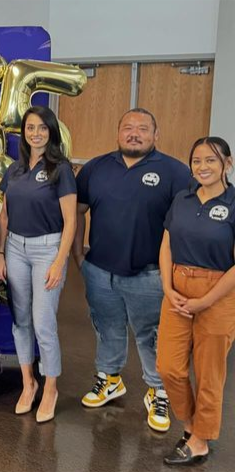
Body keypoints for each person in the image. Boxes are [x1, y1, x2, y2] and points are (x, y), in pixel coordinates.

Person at [72, 108, 191, 432]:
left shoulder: (175, 172)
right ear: (118, 133)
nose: (134, 133)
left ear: (156, 135)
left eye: (142, 128)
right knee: (107, 328)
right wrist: (78, 256)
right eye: (128, 127)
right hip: (100, 271)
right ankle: (110, 379)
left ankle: (158, 390)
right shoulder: (96, 168)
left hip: (149, 275)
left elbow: (187, 224)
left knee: (150, 336)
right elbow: (78, 212)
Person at [0, 106, 76, 423]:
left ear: (51, 131)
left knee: (43, 323)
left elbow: (70, 222)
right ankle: (28, 384)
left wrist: (59, 261)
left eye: (42, 127)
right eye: (30, 127)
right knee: (21, 320)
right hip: (14, 247)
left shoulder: (61, 169)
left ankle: (51, 387)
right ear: (23, 131)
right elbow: (5, 215)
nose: (36, 133)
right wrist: (0, 253)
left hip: (47, 249)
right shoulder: (13, 169)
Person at [157, 137, 235, 466]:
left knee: (208, 374)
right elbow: (166, 246)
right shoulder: (182, 199)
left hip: (218, 293)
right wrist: (167, 286)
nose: (203, 167)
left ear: (227, 164)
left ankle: (201, 440)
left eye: (211, 161)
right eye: (197, 161)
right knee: (169, 368)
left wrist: (204, 301)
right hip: (176, 289)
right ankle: (191, 426)